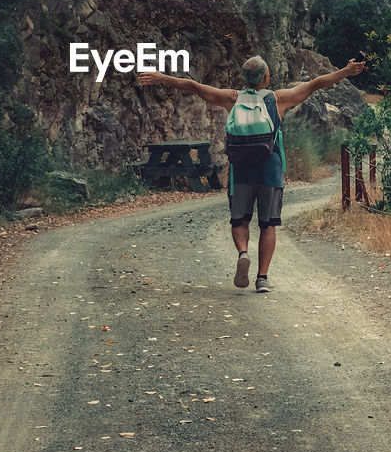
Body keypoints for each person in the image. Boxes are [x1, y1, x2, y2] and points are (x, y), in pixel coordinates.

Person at [139, 55, 366, 292]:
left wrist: (162, 78)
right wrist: (346, 71)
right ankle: (262, 279)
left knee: (240, 219)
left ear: (244, 78)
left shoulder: (232, 98)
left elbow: (194, 86)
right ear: (266, 77)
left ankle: (243, 253)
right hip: (270, 169)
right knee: (268, 225)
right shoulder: (279, 99)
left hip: (241, 170)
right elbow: (316, 83)